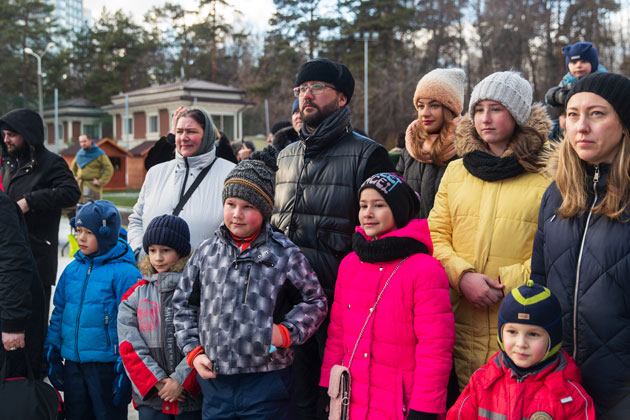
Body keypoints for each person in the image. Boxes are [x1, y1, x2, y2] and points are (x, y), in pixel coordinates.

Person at [272, 58, 394, 420]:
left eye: (316, 88)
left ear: (342, 98)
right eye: (300, 90)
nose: (306, 96)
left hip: (340, 304)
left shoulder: (369, 154)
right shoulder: (287, 154)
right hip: (284, 301)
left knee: (334, 401)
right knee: (291, 398)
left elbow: (381, 232)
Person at [174, 146, 328, 420]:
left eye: (248, 207)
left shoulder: (284, 253)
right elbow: (183, 304)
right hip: (216, 380)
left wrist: (285, 332)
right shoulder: (206, 252)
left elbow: (315, 300)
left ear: (265, 209)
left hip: (268, 382)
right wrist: (194, 353)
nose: (237, 214)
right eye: (231, 205)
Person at [428, 71, 551, 391]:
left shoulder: (547, 175)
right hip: (458, 318)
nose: (485, 118)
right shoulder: (456, 170)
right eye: (479, 109)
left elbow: (553, 249)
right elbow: (436, 234)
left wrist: (506, 284)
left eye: (496, 109)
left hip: (518, 322)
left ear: (518, 114)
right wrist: (461, 276)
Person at [531, 72, 630, 418]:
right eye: (573, 115)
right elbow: (540, 283)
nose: (581, 127)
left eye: (597, 114)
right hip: (559, 387)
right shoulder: (555, 195)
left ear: (625, 123)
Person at [321, 172, 455, 420]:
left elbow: (435, 347)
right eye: (363, 205)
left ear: (399, 210)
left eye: (379, 205)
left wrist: (425, 407)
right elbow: (337, 332)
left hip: (400, 405)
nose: (368, 213)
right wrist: (327, 386)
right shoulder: (350, 264)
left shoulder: (424, 269)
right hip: (352, 399)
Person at [43, 200, 141, 420]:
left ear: (106, 234)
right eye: (78, 231)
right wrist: (52, 349)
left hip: (106, 366)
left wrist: (124, 366)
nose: (81, 238)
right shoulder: (72, 270)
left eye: (89, 232)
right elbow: (59, 312)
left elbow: (133, 323)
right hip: (74, 364)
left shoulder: (126, 273)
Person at [447, 282, 595, 420]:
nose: (521, 343)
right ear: (500, 334)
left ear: (553, 340)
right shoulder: (482, 383)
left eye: (533, 334)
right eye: (512, 332)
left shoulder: (569, 396)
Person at [118, 214, 202, 419]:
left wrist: (181, 381)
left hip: (189, 398)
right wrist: (157, 382)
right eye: (153, 250)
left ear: (181, 253)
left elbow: (205, 339)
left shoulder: (197, 292)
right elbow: (129, 346)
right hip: (152, 398)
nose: (158, 257)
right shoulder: (134, 296)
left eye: (166, 250)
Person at [0, 108, 81, 316]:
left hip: (37, 257)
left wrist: (30, 200)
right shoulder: (9, 162)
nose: (6, 139)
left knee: (32, 329)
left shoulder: (51, 163)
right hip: (10, 257)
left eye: (11, 135)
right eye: (4, 135)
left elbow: (71, 193)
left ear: (27, 135)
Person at [128, 107, 235, 255]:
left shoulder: (230, 174)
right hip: (151, 273)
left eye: (191, 131)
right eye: (179, 132)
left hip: (203, 275)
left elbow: (236, 228)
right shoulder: (155, 173)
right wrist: (139, 252)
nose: (183, 137)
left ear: (207, 135)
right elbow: (136, 220)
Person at [397, 68, 465, 218]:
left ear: (451, 109)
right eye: (421, 106)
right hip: (412, 239)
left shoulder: (467, 149)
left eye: (434, 105)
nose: (425, 113)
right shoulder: (409, 151)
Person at [0, 188, 46, 379]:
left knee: (14, 391)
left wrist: (13, 325)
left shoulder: (2, 208)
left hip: (9, 321)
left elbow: (14, 264)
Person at [545, 41, 604, 141]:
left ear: (593, 63)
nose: (578, 66)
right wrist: (560, 99)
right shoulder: (566, 81)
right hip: (567, 123)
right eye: (574, 62)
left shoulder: (601, 79)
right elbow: (549, 99)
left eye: (583, 62)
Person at [71, 134, 114, 203]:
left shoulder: (99, 154)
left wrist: (100, 181)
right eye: (80, 142)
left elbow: (109, 168)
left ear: (90, 141)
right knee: (80, 209)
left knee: (92, 209)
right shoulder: (80, 153)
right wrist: (74, 177)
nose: (82, 144)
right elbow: (73, 167)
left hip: (92, 186)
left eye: (84, 141)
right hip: (80, 186)